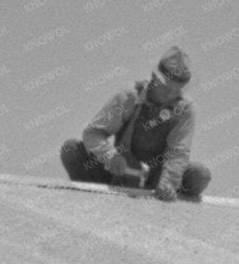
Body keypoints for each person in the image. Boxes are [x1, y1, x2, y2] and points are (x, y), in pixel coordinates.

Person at [61, 46, 211, 202]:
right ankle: (90, 201)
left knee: (200, 175)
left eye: (176, 91)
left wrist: (169, 183)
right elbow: (93, 133)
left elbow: (178, 151)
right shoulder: (128, 97)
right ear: (154, 78)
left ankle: (173, 210)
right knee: (71, 148)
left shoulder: (184, 108)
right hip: (120, 173)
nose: (171, 95)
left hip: (157, 179)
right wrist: (110, 156)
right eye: (166, 88)